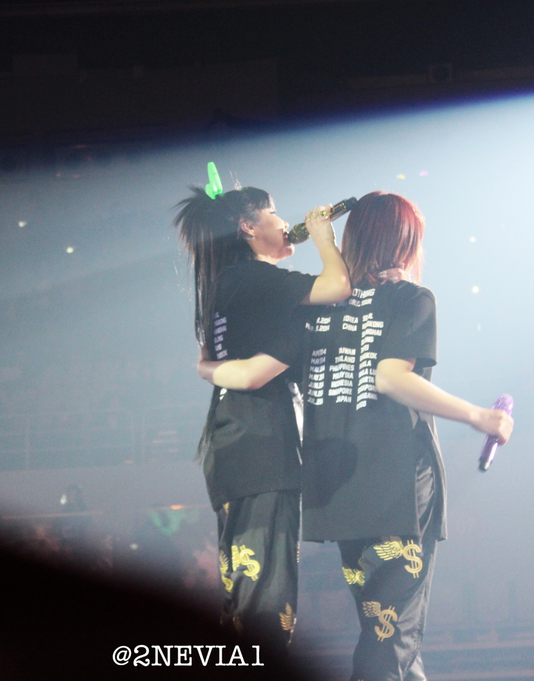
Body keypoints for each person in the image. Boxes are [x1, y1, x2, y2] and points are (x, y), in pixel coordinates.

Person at [200, 191, 513, 681]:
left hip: (340, 498)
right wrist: (478, 417)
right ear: (406, 243)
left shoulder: (313, 311)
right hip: (400, 491)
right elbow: (391, 378)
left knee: (390, 639)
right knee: (390, 644)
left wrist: (205, 366)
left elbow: (255, 372)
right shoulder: (411, 299)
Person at [174, 169, 351, 652]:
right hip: (263, 449)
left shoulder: (226, 285)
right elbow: (337, 286)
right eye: (273, 212)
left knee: (245, 593)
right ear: (248, 227)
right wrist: (323, 237)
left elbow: (214, 363)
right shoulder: (255, 279)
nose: (283, 221)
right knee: (265, 601)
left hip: (232, 445)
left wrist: (208, 369)